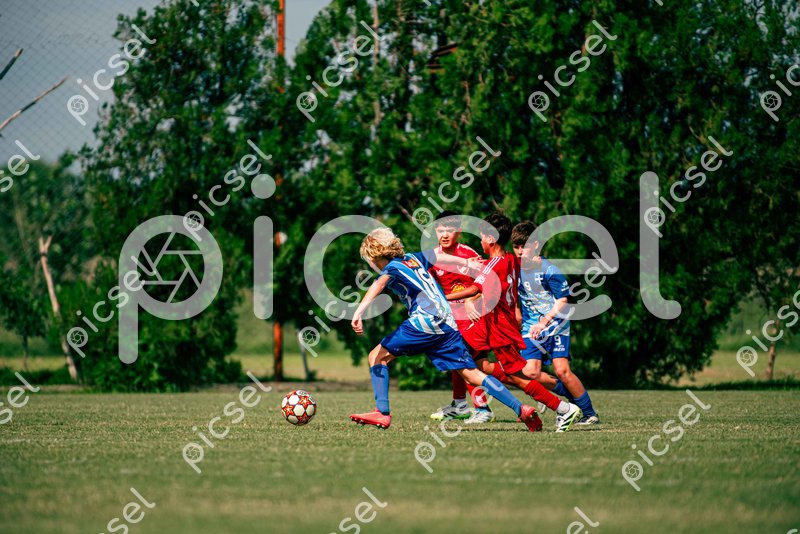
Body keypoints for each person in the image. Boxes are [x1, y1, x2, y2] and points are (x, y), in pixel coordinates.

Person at [349, 227, 543, 432]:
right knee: (471, 374)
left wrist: (358, 312)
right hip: (448, 322)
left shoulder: (391, 268)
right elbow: (439, 256)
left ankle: (382, 412)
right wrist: (465, 263)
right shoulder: (413, 258)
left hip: (425, 320)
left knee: (376, 356)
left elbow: (378, 285)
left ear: (375, 256)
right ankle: (521, 408)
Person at [463, 212, 583, 432]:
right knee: (476, 364)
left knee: (518, 376)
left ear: (490, 238)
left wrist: (443, 297)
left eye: (481, 237)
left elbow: (475, 288)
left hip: (501, 327)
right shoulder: (509, 259)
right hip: (497, 325)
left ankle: (563, 407)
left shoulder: (497, 263)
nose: (480, 242)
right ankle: (480, 407)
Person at [512, 221, 600, 425]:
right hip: (531, 327)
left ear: (535, 245)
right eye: (516, 247)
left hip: (556, 325)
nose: (519, 251)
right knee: (529, 372)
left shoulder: (549, 270)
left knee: (562, 371)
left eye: (524, 246)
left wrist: (544, 322)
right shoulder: (515, 268)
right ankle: (569, 397)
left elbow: (563, 300)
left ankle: (589, 414)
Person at [425, 212, 494, 424]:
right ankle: (460, 405)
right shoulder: (432, 257)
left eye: (450, 230)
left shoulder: (468, 253)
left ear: (459, 232)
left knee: (466, 361)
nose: (445, 235)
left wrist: (471, 299)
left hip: (473, 316)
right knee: (459, 360)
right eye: (440, 230)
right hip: (451, 318)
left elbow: (486, 285)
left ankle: (483, 408)